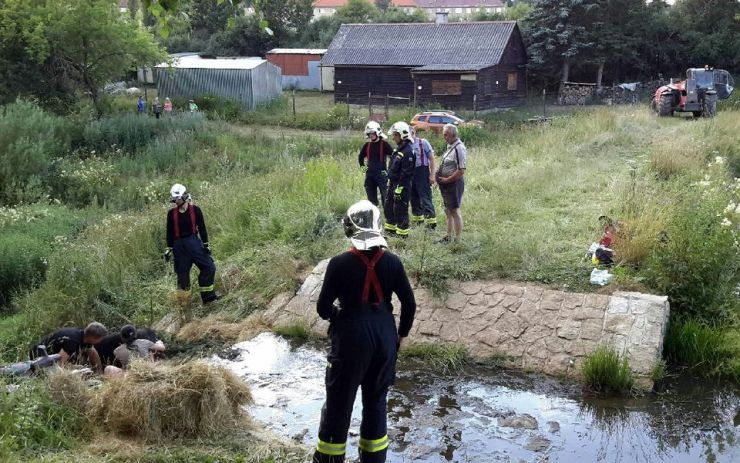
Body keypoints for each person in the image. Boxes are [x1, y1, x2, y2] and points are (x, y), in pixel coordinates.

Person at [312, 200, 416, 463]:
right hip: (385, 338)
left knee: (339, 405)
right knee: (376, 403)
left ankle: (329, 460)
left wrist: (339, 316)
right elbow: (409, 303)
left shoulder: (338, 264)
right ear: (378, 228)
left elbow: (323, 308)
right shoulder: (393, 262)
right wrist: (401, 336)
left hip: (351, 339)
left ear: (350, 230)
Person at [164, 183, 220, 304]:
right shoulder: (171, 214)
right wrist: (169, 248)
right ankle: (184, 305)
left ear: (184, 196)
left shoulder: (195, 210)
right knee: (182, 277)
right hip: (180, 247)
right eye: (174, 199)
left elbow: (202, 228)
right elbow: (169, 232)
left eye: (177, 198)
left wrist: (206, 244)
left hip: (194, 243)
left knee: (209, 267)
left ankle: (208, 298)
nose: (176, 201)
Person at [30, 322, 107, 372]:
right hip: (38, 358)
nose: (101, 341)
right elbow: (60, 363)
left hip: (50, 354)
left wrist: (99, 372)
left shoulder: (84, 336)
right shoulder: (72, 342)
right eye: (101, 339)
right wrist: (76, 368)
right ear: (93, 338)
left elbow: (93, 352)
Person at [383, 122, 416, 238]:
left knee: (400, 209)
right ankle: (390, 231)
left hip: (401, 186)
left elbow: (406, 173)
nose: (393, 137)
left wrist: (399, 188)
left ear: (403, 135)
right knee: (388, 207)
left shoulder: (408, 152)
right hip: (393, 184)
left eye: (395, 135)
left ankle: (402, 235)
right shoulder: (398, 150)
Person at [436, 124, 467, 243]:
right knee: (448, 210)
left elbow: (461, 170)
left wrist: (447, 179)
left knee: (454, 210)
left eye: (445, 134)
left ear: (453, 134)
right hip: (446, 184)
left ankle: (457, 239)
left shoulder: (459, 148)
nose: (444, 137)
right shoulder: (450, 146)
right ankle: (448, 236)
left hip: (453, 184)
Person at [358, 121, 393, 207]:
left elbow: (393, 157)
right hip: (370, 174)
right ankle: (374, 213)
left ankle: (388, 217)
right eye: (369, 133)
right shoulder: (367, 145)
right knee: (371, 198)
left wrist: (389, 170)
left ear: (377, 132)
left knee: (385, 196)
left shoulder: (384, 144)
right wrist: (363, 169)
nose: (371, 135)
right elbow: (360, 157)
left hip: (382, 174)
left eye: (373, 133)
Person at [409, 126, 437, 229]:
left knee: (425, 198)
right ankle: (418, 222)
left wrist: (433, 174)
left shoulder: (423, 142)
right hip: (410, 173)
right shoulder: (405, 145)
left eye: (410, 133)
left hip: (422, 172)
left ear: (414, 133)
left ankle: (431, 224)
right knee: (414, 198)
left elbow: (432, 159)